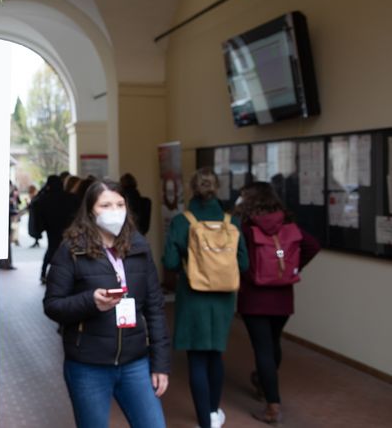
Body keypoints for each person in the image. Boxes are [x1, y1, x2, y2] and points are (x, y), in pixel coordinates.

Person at [44, 179, 170, 428]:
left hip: (135, 362)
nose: (115, 211)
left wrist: (161, 364)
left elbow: (155, 307)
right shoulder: (72, 250)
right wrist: (90, 302)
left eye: (120, 204)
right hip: (88, 366)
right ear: (91, 210)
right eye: (105, 205)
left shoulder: (139, 247)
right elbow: (52, 305)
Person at [162, 168, 248, 428]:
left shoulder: (182, 221)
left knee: (197, 358)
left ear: (192, 188)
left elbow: (170, 261)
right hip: (223, 299)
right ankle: (213, 412)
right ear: (216, 188)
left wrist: (191, 264)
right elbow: (243, 264)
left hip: (193, 297)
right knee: (215, 355)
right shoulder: (231, 222)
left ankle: (204, 420)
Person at [235, 182, 320, 425]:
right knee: (273, 344)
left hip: (254, 296)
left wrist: (246, 274)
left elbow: (237, 257)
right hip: (283, 296)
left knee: (262, 349)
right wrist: (292, 268)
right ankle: (264, 384)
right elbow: (313, 245)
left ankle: (272, 406)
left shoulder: (245, 227)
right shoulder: (288, 224)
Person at [32, 175, 77, 283]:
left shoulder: (44, 198)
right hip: (67, 228)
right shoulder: (70, 197)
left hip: (51, 229)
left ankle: (44, 273)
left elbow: (36, 206)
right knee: (67, 251)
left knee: (51, 249)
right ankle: (65, 275)